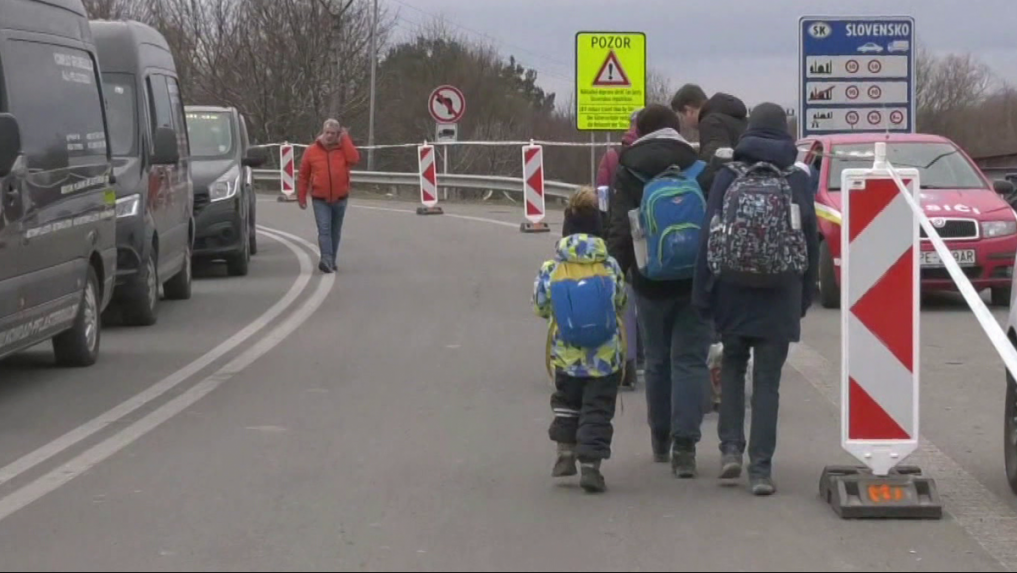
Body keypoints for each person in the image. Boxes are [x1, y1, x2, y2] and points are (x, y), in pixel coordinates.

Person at [692, 103, 819, 496]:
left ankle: (730, 449)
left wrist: (703, 294)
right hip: (779, 294)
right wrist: (802, 297)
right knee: (768, 381)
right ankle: (761, 470)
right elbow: (810, 241)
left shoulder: (728, 175)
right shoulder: (797, 178)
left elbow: (708, 237)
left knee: (731, 368)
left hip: (732, 290)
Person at [607, 104, 712, 478]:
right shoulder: (698, 166)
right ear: (675, 128)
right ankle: (687, 447)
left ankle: (660, 438)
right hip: (694, 279)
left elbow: (620, 228)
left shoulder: (629, 167)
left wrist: (615, 274)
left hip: (649, 279)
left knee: (657, 360)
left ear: (642, 130)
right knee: (689, 360)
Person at [535, 188, 628, 494]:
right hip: (604, 355)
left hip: (565, 353)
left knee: (567, 400)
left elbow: (541, 306)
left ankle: (564, 450)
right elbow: (621, 302)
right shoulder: (609, 265)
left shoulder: (552, 268)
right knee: (597, 408)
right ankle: (591, 465)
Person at [595, 111, 643, 390]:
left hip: (619, 232)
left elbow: (601, 194)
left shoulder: (613, 157)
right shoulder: (669, 153)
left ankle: (627, 359)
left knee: (623, 295)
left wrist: (605, 230)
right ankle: (647, 354)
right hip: (653, 237)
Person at [297, 119, 361, 273]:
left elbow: (354, 159)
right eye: (327, 132)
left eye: (333, 133)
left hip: (340, 198)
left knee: (335, 231)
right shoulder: (312, 151)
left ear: (338, 134)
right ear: (322, 132)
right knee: (324, 230)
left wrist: (345, 139)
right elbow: (303, 175)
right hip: (320, 198)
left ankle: (332, 260)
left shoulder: (343, 149)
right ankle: (325, 259)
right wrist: (301, 196)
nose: (329, 136)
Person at [670, 85, 749, 194]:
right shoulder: (733, 116)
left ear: (689, 110)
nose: (684, 122)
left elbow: (714, 160)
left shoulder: (710, 122)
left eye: (682, 117)